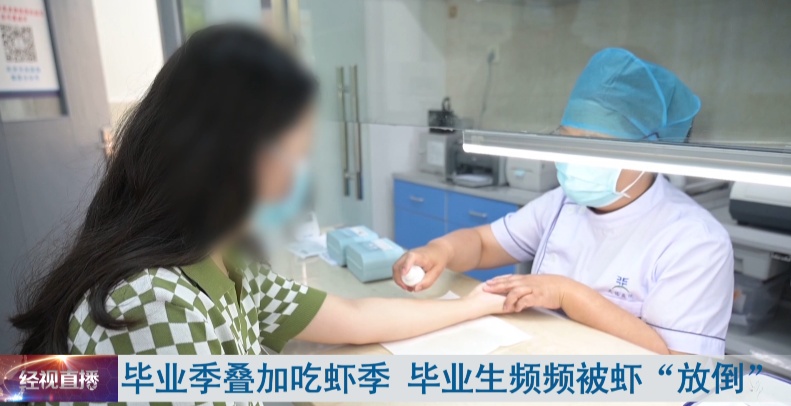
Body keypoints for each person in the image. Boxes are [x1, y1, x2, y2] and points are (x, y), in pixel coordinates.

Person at [11, 25, 506, 356]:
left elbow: (354, 317)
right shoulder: (152, 307)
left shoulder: (226, 261)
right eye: (287, 155)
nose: (295, 178)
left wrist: (473, 305)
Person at [392, 48, 734, 356]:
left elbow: (680, 369)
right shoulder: (563, 203)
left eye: (595, 144)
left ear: (650, 153)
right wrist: (441, 251)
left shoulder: (695, 241)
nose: (573, 156)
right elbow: (483, 244)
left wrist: (568, 295)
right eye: (567, 139)